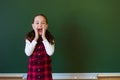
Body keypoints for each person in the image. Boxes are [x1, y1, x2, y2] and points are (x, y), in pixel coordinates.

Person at [24, 14, 55, 80]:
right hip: (33, 72)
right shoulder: (29, 38)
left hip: (45, 72)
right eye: (37, 23)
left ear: (46, 26)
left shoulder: (50, 38)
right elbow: (28, 53)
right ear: (33, 26)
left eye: (43, 23)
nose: (40, 25)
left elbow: (50, 53)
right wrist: (36, 38)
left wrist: (44, 37)